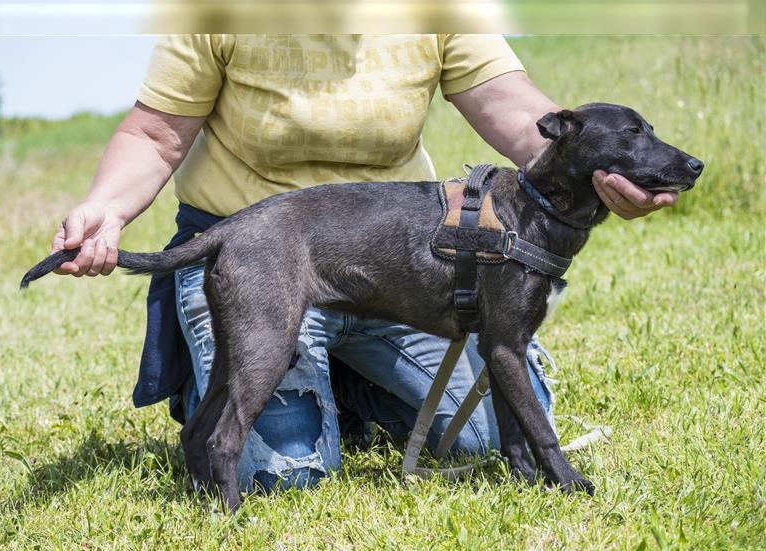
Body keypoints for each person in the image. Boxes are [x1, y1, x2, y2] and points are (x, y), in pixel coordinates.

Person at [49, 35, 679, 492]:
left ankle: (345, 387)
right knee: (283, 477)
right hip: (260, 253)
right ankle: (232, 376)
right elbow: (155, 135)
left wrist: (601, 169)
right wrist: (106, 208)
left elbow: (525, 117)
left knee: (485, 441)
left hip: (405, 264)